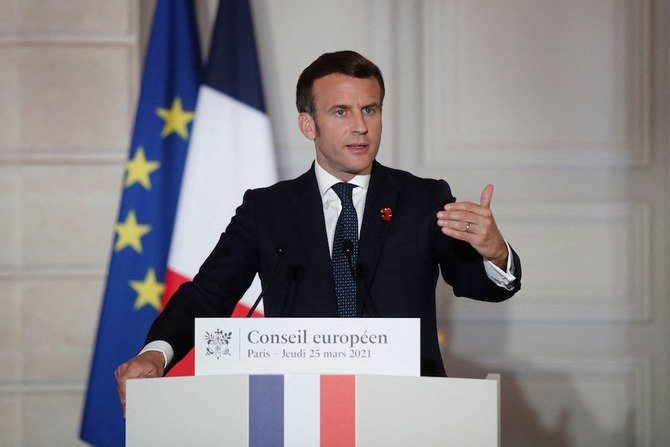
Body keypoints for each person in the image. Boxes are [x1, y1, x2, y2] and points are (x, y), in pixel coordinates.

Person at [115, 50, 521, 407]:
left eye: (371, 109)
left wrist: (495, 253)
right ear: (308, 125)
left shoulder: (422, 198)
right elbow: (207, 296)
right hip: (297, 410)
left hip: (406, 407)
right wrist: (156, 354)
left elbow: (473, 283)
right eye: (341, 112)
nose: (361, 126)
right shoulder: (267, 209)